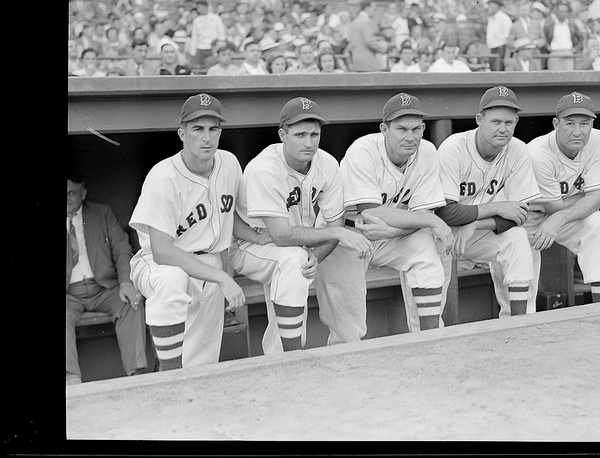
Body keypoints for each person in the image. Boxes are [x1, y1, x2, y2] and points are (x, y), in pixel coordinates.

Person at [129, 93, 269, 371]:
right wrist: (222, 278)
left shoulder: (228, 163)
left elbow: (229, 219)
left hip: (208, 263)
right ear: (182, 133)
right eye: (197, 129)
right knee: (171, 280)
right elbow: (162, 250)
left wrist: (258, 237)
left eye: (213, 129)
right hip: (157, 263)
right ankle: (168, 379)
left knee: (200, 362)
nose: (207, 138)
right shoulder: (163, 177)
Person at [228, 97, 373, 354]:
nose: (309, 142)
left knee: (320, 257)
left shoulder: (326, 163)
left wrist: (317, 255)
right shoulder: (265, 168)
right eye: (300, 134)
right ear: (282, 134)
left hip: (296, 240)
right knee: (293, 260)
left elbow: (334, 220)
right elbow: (282, 236)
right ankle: (292, 359)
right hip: (251, 244)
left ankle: (344, 348)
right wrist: (336, 234)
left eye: (314, 134)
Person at [314, 93, 456, 344]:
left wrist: (401, 230)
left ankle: (431, 340)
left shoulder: (427, 151)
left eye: (415, 129)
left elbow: (423, 213)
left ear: (423, 129)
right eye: (401, 129)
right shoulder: (363, 150)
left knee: (427, 250)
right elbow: (371, 214)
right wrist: (432, 222)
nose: (410, 137)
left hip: (391, 234)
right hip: (345, 236)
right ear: (384, 129)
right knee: (348, 331)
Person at [490, 92, 600, 307]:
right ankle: (516, 333)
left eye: (585, 123)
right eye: (569, 123)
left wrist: (594, 195)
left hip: (562, 214)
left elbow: (594, 200)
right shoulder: (537, 154)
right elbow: (556, 206)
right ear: (556, 124)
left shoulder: (598, 140)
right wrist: (593, 192)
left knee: (598, 225)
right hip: (522, 216)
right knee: (519, 287)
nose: (578, 131)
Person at [435, 86, 542, 318]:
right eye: (495, 122)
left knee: (518, 239)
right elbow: (445, 213)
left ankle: (519, 324)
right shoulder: (453, 148)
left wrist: (474, 224)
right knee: (433, 298)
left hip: (479, 231)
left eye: (508, 123)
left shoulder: (518, 150)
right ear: (479, 119)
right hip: (439, 234)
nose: (502, 129)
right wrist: (497, 207)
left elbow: (520, 214)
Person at [67, 171, 147, 385]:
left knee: (131, 302)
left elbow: (122, 249)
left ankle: (136, 374)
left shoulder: (102, 213)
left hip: (104, 288)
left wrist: (126, 283)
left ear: (83, 193)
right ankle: (70, 380)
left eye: (72, 192)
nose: (66, 198)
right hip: (69, 294)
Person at [346, 0, 388, 72]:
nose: (375, 12)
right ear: (367, 8)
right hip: (368, 62)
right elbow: (369, 41)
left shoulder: (355, 21)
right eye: (374, 9)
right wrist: (383, 48)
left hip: (356, 61)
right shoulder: (366, 21)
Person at [543, 1, 584, 71]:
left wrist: (576, 48)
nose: (563, 13)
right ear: (556, 12)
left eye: (565, 11)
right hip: (554, 53)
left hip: (568, 53)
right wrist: (547, 46)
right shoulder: (549, 25)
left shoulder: (572, 24)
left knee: (569, 77)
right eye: (561, 11)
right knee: (554, 77)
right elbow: (543, 37)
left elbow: (581, 37)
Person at [189, 0, 227, 69]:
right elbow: (194, 36)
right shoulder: (197, 20)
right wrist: (193, 50)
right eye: (198, 8)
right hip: (200, 47)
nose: (199, 10)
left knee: (212, 67)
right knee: (198, 68)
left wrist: (218, 46)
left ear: (205, 6)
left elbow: (221, 33)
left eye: (200, 7)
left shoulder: (216, 18)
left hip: (213, 48)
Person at [485, 0, 512, 71]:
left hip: (501, 49)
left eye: (490, 5)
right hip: (493, 49)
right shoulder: (491, 18)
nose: (488, 8)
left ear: (495, 6)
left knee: (499, 72)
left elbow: (509, 38)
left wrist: (507, 56)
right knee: (493, 71)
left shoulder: (504, 18)